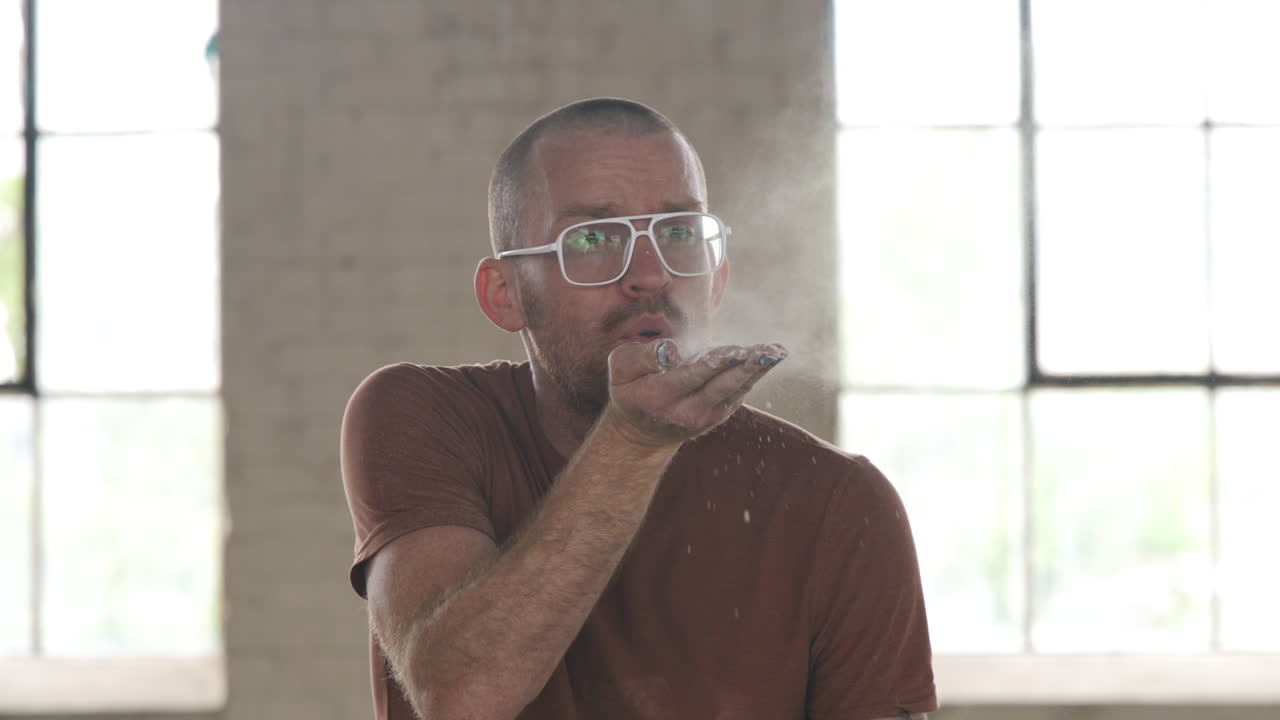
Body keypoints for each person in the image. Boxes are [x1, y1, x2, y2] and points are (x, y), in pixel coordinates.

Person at [341, 97, 936, 720]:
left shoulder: (839, 502)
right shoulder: (424, 416)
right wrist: (632, 444)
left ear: (718, 278)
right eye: (595, 238)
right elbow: (458, 696)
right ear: (504, 295)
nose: (650, 274)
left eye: (678, 232)